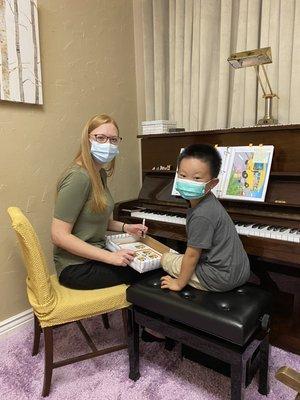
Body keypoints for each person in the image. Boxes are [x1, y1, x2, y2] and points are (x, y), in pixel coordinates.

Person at [51, 114, 149, 290]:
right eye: (100, 138)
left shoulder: (99, 174)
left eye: (113, 140)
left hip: (95, 256)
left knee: (147, 261)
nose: (108, 145)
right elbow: (59, 235)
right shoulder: (78, 177)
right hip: (76, 267)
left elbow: (95, 217)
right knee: (149, 271)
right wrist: (111, 257)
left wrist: (127, 227)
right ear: (87, 139)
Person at [160, 144, 250, 292]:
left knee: (166, 258)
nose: (188, 181)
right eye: (182, 175)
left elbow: (192, 255)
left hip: (219, 278)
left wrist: (178, 284)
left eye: (196, 178)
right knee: (181, 257)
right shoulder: (208, 199)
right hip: (239, 271)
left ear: (213, 183)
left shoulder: (202, 214)